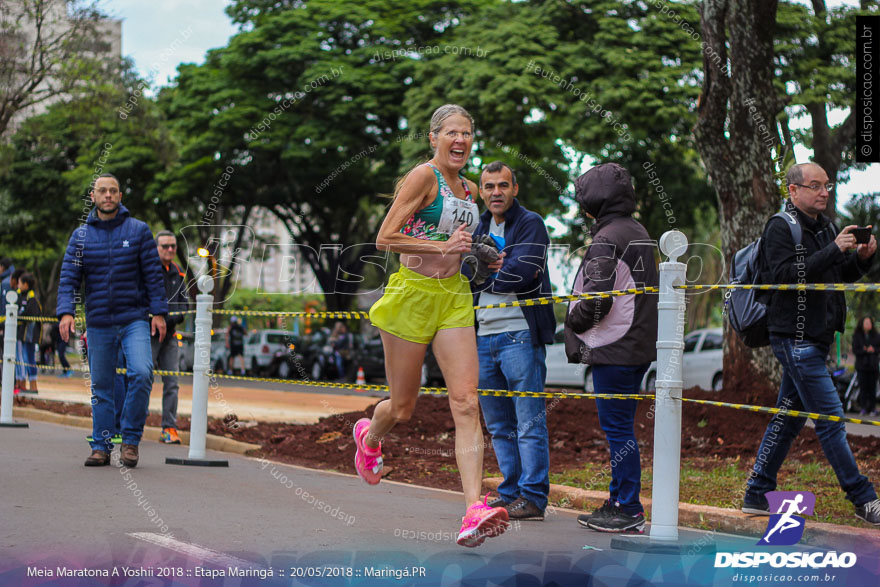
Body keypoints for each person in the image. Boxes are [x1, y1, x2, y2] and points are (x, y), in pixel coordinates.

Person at [357, 104, 510, 548]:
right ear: (434, 138)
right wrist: (443, 242)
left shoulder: (469, 190)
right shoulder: (423, 178)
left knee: (465, 401)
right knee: (403, 408)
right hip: (412, 297)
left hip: (453, 299)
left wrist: (479, 253)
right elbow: (385, 237)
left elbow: (460, 246)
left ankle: (472, 510)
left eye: (467, 133)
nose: (460, 141)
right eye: (451, 133)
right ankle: (370, 435)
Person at [741, 162, 880, 526]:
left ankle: (757, 492)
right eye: (815, 186)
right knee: (832, 420)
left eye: (827, 185)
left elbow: (835, 276)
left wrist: (862, 260)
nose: (824, 192)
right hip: (794, 338)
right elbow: (786, 276)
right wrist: (835, 249)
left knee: (787, 420)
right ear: (793, 190)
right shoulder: (780, 227)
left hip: (818, 339)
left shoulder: (827, 227)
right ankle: (863, 498)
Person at [564, 163, 658, 534]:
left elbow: (598, 299)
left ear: (594, 202)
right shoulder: (637, 231)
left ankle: (628, 506)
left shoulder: (607, 238)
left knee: (618, 431)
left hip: (614, 348)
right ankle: (618, 499)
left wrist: (574, 319)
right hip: (634, 347)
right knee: (621, 427)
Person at [57, 173, 167, 468]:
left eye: (113, 191)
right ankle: (101, 446)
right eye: (102, 191)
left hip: (134, 319)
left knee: (142, 373)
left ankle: (130, 441)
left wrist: (159, 312)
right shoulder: (80, 236)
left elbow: (154, 277)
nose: (108, 195)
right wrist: (66, 312)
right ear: (93, 197)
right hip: (99, 322)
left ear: (120, 196)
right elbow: (69, 277)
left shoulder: (139, 230)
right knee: (102, 386)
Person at [470, 161, 555, 521]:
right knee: (499, 426)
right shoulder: (476, 226)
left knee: (529, 422)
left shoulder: (530, 223)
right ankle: (510, 493)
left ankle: (533, 497)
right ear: (481, 191)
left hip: (519, 334)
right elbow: (464, 275)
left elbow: (524, 272)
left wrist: (485, 271)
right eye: (489, 186)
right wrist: (486, 268)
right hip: (482, 335)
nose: (496, 193)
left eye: (503, 185)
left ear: (514, 189)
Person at [152, 230, 189, 444]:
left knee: (172, 382)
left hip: (171, 335)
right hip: (150, 334)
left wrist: (170, 318)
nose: (170, 250)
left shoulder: (178, 272)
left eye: (173, 246)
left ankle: (169, 428)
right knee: (142, 379)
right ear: (156, 248)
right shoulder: (148, 270)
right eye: (165, 246)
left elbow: (185, 305)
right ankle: (132, 426)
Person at [16, 272, 42, 394]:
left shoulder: (32, 297)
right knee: (25, 358)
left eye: (20, 283)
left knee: (29, 358)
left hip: (30, 334)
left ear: (26, 284)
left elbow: (29, 315)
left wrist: (19, 317)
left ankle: (33, 386)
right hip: (24, 334)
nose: (18, 285)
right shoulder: (23, 295)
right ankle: (24, 384)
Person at [852, 316, 880, 417]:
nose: (868, 324)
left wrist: (873, 349)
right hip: (861, 366)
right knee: (863, 387)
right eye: (866, 322)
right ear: (862, 324)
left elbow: (878, 348)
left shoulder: (876, 335)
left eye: (869, 323)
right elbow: (855, 350)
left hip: (873, 366)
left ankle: (872, 408)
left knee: (872, 388)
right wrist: (864, 350)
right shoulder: (857, 335)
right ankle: (863, 408)